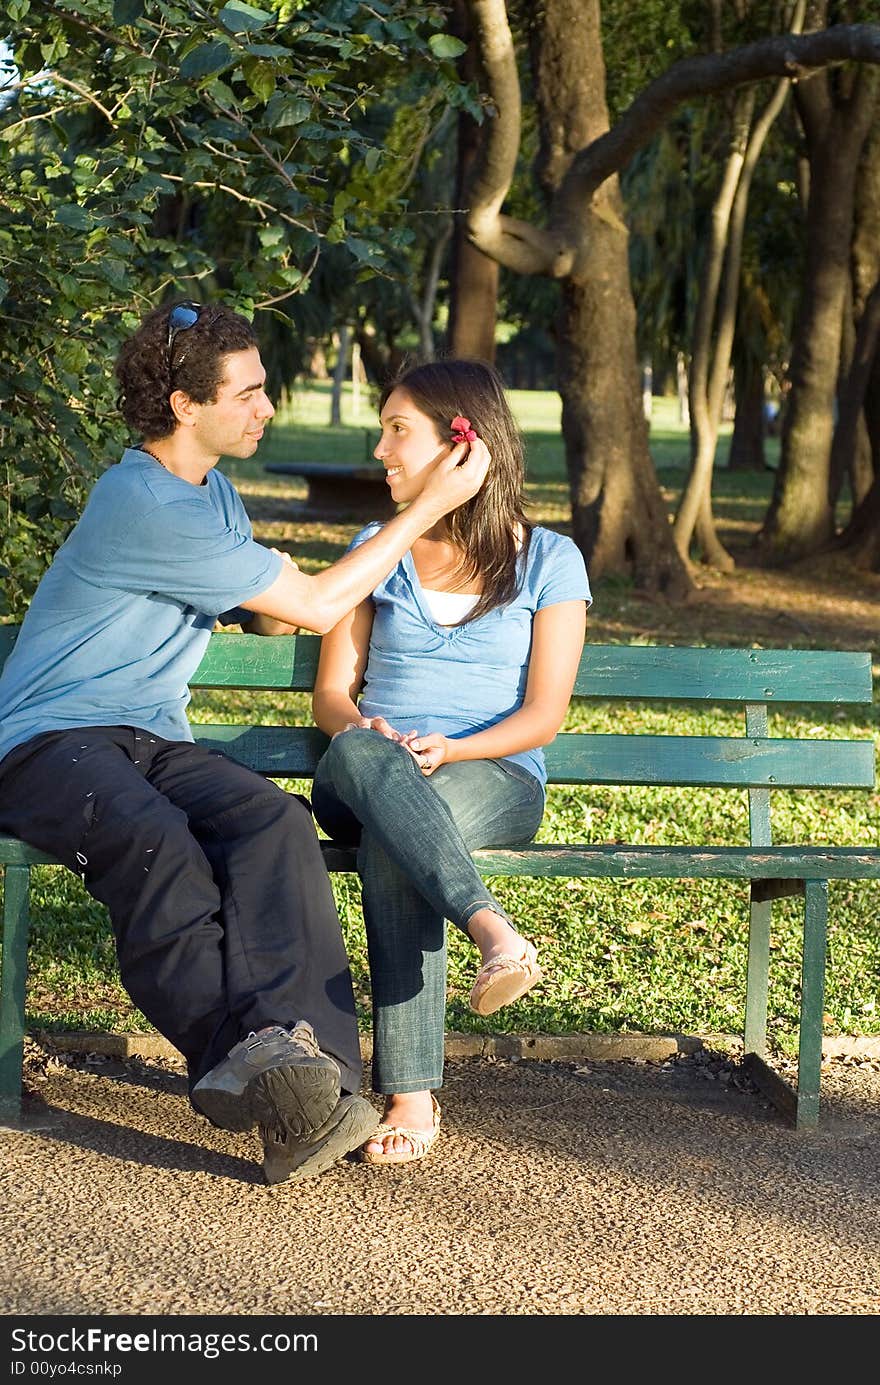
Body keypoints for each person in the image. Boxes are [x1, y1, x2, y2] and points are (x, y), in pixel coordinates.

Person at [0, 301, 489, 1186]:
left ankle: (317, 1076)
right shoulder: (140, 500)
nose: (267, 406)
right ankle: (256, 1068)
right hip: (48, 743)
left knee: (274, 824)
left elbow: (270, 608)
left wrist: (277, 590)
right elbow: (307, 607)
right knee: (160, 845)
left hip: (147, 737)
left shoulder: (209, 495)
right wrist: (429, 510)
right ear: (186, 405)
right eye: (250, 392)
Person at [309, 359, 591, 1165]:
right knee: (372, 767)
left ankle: (410, 1095)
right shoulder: (377, 549)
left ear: (462, 444)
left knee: (396, 841)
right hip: (363, 768)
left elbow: (545, 714)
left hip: (491, 774)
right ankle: (490, 927)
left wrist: (454, 746)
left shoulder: (549, 560)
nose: (381, 447)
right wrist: (372, 730)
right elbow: (333, 696)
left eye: (399, 429)